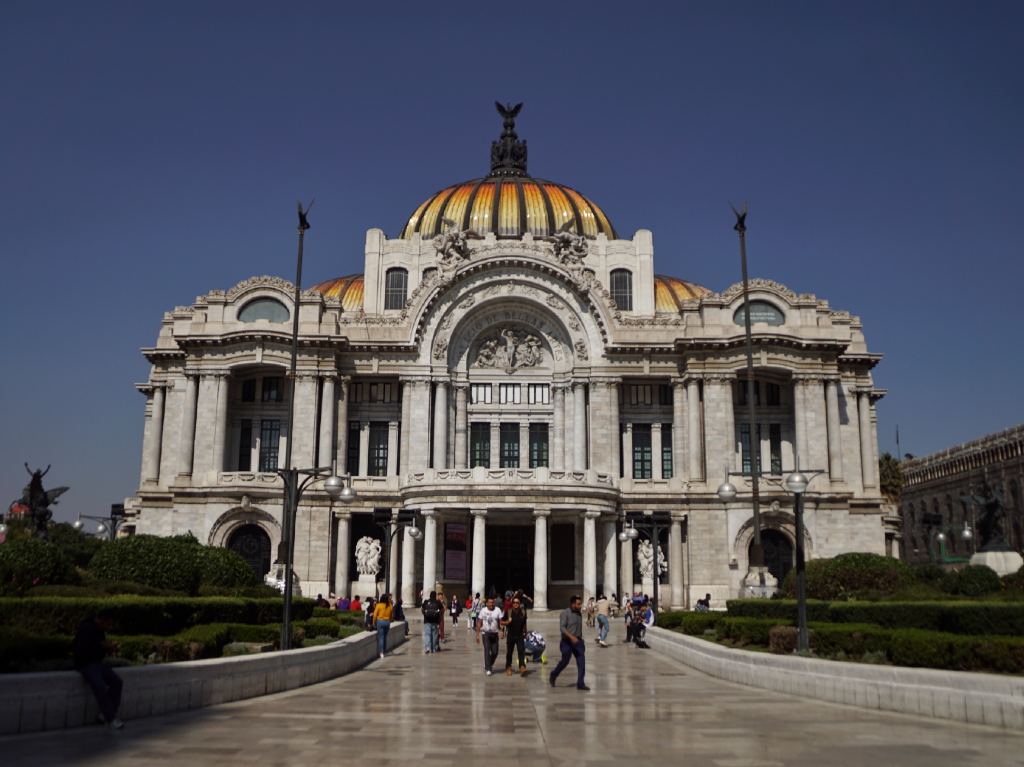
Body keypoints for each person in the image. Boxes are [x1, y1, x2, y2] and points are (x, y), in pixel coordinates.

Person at [73, 608, 124, 729]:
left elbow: (100, 649)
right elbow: (83, 651)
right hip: (86, 664)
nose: (109, 627)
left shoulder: (100, 630)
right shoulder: (85, 628)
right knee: (99, 686)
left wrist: (109, 648)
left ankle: (106, 714)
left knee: (117, 682)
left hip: (97, 663)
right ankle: (110, 718)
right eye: (108, 623)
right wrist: (102, 646)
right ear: (102, 620)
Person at [549, 595, 587, 691]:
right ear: (573, 604)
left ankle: (580, 684)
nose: (580, 606)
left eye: (580, 604)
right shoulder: (565, 613)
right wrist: (571, 637)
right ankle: (553, 674)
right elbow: (562, 628)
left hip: (578, 642)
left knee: (581, 662)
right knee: (565, 661)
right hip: (567, 642)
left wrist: (579, 640)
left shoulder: (579, 614)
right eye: (578, 604)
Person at [475, 595, 503, 676]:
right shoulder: (483, 611)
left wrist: (501, 631)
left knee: (495, 652)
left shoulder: (498, 610)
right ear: (486, 603)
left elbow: (500, 622)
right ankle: (488, 668)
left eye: (492, 603)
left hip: (494, 633)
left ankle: (489, 663)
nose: (491, 604)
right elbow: (479, 622)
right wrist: (477, 635)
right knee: (487, 650)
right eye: (490, 603)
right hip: (486, 633)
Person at [502, 595, 528, 675]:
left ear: (519, 604)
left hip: (520, 635)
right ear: (512, 603)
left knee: (521, 651)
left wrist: (526, 632)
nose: (515, 604)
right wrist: (506, 625)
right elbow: (501, 622)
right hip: (511, 635)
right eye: (514, 602)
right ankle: (508, 667)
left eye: (517, 602)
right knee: (509, 652)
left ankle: (522, 666)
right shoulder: (508, 611)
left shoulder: (523, 612)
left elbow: (524, 623)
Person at [372, 594, 393, 658]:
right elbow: (391, 615)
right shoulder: (389, 605)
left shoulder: (378, 605)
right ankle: (384, 651)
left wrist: (373, 622)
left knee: (381, 637)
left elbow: (375, 615)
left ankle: (381, 653)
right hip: (387, 622)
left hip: (380, 621)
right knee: (385, 637)